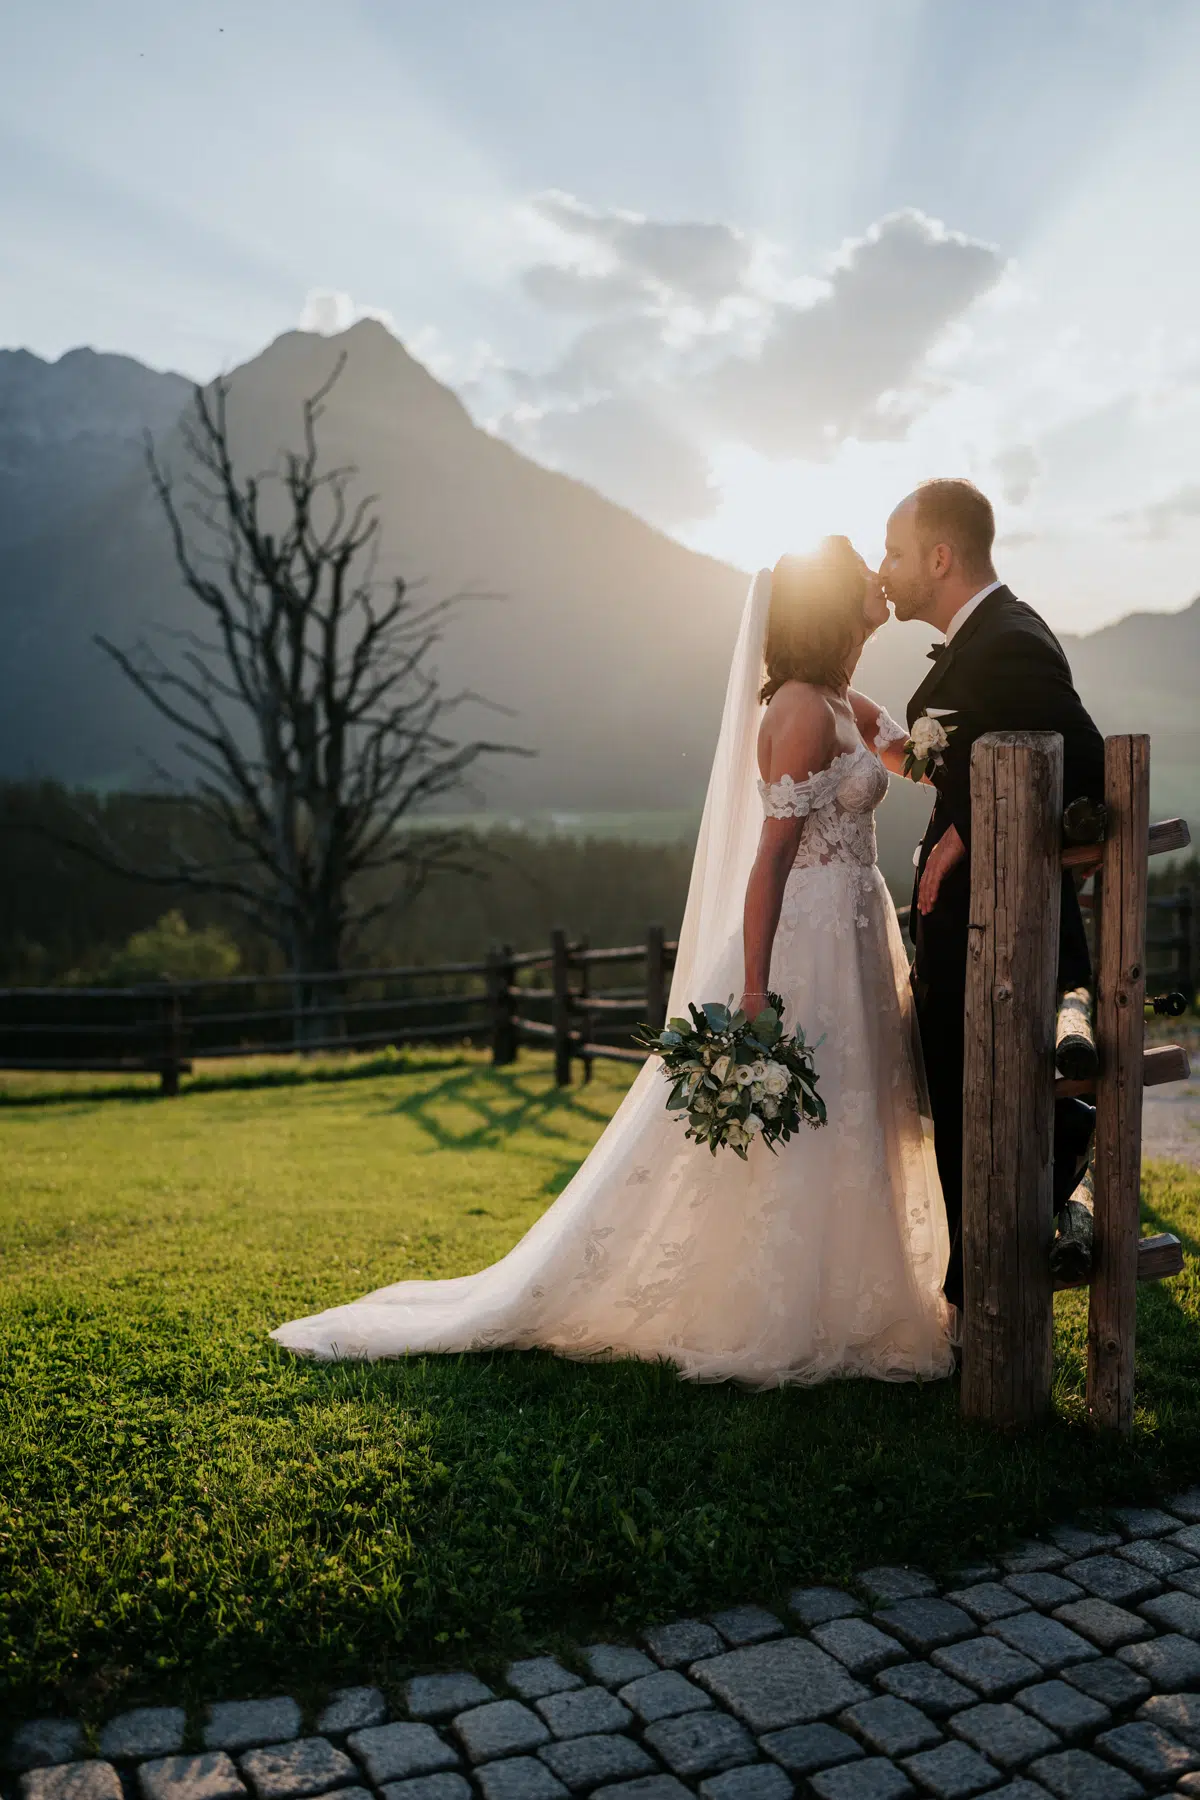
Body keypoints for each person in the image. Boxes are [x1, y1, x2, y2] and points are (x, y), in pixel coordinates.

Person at [271, 540, 953, 1386]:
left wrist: (935, 746)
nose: (876, 585)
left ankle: (856, 1297)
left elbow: (912, 758)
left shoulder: (848, 697)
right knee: (810, 1119)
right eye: (862, 577)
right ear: (830, 605)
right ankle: (789, 1308)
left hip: (857, 928)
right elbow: (769, 861)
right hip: (806, 939)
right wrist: (752, 987)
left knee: (852, 1109)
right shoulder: (804, 711)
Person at [883, 479, 1105, 1317]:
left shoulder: (1007, 640)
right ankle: (971, 1297)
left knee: (997, 1115)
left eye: (896, 553)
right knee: (962, 1110)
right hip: (971, 932)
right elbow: (977, 754)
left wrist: (967, 830)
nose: (886, 570)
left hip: (1002, 936)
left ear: (940, 557)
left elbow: (1076, 760)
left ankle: (988, 1307)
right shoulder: (986, 639)